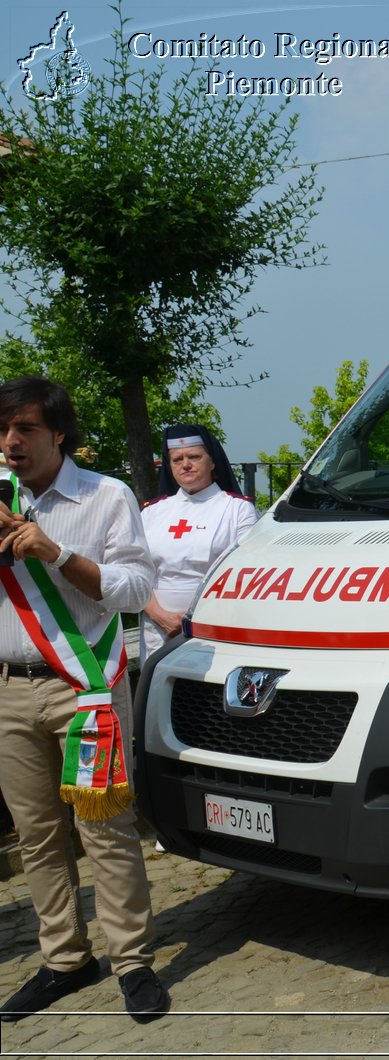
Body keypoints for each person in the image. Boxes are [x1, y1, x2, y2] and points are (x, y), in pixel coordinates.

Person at [0, 377, 168, 1024]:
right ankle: (66, 959)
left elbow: (133, 587)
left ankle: (132, 962)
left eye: (25, 430)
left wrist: (58, 553)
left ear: (58, 433)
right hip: (11, 687)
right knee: (37, 834)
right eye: (3, 430)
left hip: (86, 687)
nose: (11, 443)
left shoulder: (105, 496)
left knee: (104, 827)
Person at [138, 424, 257, 664]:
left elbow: (243, 575)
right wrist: (159, 616)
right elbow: (136, 570)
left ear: (212, 462)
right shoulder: (152, 512)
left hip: (214, 625)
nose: (186, 464)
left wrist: (196, 620)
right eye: (177, 459)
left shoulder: (237, 509)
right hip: (157, 627)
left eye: (194, 456)